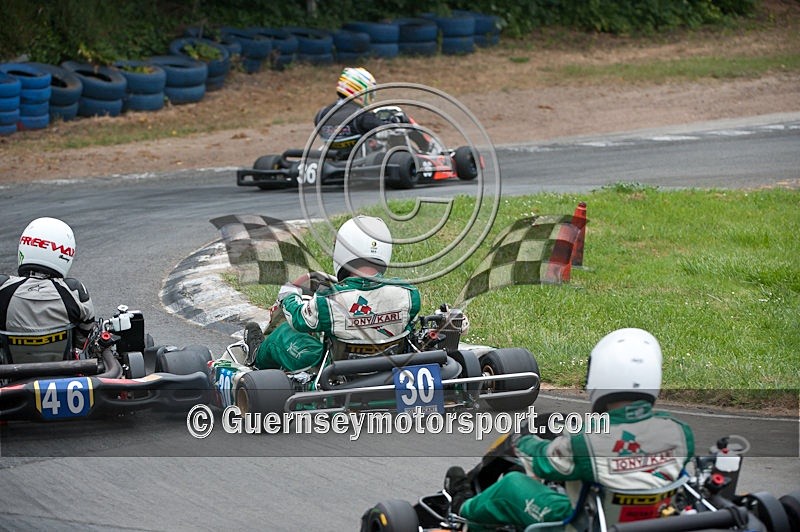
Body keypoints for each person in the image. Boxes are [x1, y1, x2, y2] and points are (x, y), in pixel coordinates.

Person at [446, 328, 695, 530]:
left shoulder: (585, 442)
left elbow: (541, 462)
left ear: (600, 374)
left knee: (512, 485)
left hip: (585, 524)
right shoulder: (679, 432)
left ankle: (461, 510)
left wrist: (523, 440)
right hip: (654, 520)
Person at [244, 215, 421, 372]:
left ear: (344, 250)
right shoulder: (408, 294)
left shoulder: (328, 301)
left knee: (285, 333)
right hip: (389, 365)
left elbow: (298, 319)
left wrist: (289, 295)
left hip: (337, 373)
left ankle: (258, 354)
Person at [0, 217, 95, 361]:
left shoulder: (3, 286)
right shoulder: (74, 291)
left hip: (10, 370)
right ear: (66, 253)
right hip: (63, 369)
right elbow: (83, 339)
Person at [313, 67, 428, 156]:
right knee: (398, 119)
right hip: (362, 162)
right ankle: (426, 149)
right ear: (360, 90)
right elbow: (385, 128)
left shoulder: (321, 114)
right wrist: (395, 121)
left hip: (334, 157)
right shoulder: (361, 116)